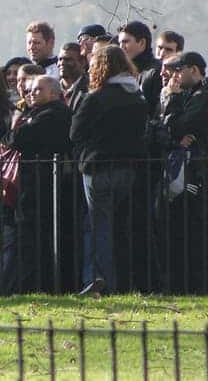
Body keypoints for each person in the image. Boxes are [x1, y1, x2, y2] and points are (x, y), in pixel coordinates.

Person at [70, 46, 147, 295]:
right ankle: (123, 281)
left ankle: (100, 280)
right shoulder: (137, 97)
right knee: (120, 226)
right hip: (127, 168)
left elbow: (75, 132)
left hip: (98, 167)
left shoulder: (96, 97)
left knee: (98, 226)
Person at [0, 76, 71, 296]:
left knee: (24, 241)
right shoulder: (34, 114)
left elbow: (17, 138)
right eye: (30, 90)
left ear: (53, 93)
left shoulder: (53, 113)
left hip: (39, 186)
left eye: (38, 90)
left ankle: (5, 288)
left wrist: (15, 127)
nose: (32, 94)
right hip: (26, 186)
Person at [163, 51, 208, 293]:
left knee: (198, 230)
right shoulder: (194, 95)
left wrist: (173, 99)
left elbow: (176, 126)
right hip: (192, 169)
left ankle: (201, 285)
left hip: (201, 173)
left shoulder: (205, 98)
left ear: (194, 70)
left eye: (179, 71)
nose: (174, 77)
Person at [118, 21, 162, 116]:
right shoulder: (121, 72)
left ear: (142, 43)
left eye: (125, 42)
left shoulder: (157, 72)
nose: (121, 47)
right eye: (120, 43)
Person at [58, 42, 88, 113]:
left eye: (68, 59)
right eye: (60, 59)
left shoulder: (90, 89)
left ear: (82, 62)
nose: (62, 63)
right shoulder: (51, 88)